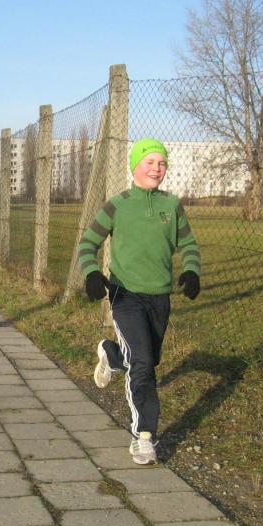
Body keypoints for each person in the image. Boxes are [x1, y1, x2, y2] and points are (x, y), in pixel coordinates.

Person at [78, 137, 201, 465]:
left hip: (159, 297)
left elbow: (189, 245)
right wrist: (92, 273)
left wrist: (192, 270)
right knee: (143, 363)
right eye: (150, 162)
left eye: (162, 163)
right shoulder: (118, 205)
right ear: (135, 165)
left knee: (147, 359)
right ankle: (144, 436)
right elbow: (87, 244)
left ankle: (111, 354)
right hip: (125, 295)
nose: (157, 168)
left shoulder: (171, 206)